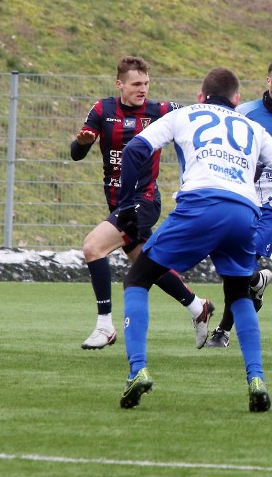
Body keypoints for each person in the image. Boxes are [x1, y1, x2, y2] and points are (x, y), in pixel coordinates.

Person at [116, 67, 272, 411]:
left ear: (200, 96)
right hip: (244, 212)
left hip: (201, 204)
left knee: (138, 277)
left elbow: (135, 149)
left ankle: (138, 370)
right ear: (237, 101)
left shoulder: (184, 114)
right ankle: (256, 379)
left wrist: (128, 207)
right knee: (238, 292)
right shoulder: (253, 126)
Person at [71, 56, 213, 351]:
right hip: (117, 202)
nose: (143, 89)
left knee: (93, 247)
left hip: (143, 200)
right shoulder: (102, 109)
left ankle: (104, 326)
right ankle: (198, 307)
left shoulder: (162, 111)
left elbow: (198, 121)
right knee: (146, 264)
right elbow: (75, 153)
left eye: (146, 83)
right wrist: (82, 143)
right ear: (119, 84)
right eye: (136, 84)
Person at [207, 58, 272, 346]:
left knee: (243, 261)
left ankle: (223, 331)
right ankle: (257, 284)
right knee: (232, 262)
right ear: (268, 81)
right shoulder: (245, 112)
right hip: (243, 195)